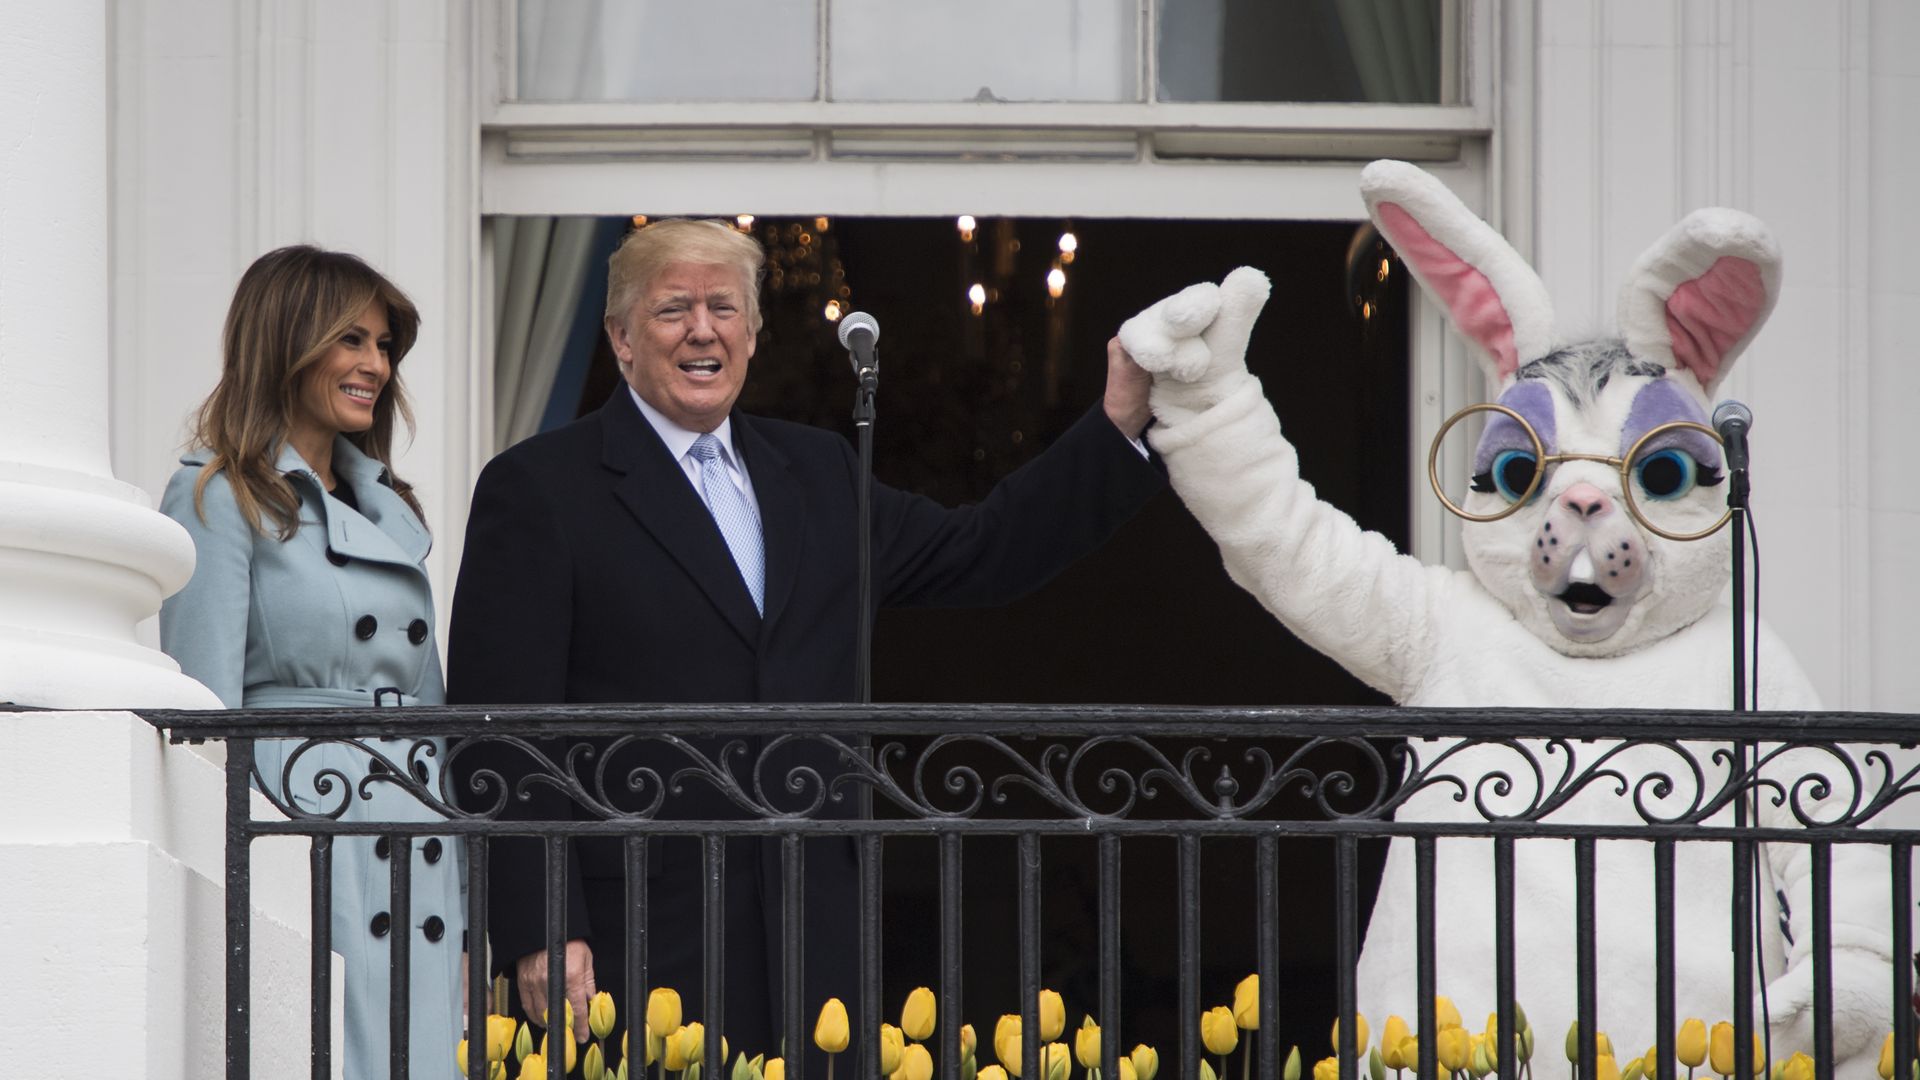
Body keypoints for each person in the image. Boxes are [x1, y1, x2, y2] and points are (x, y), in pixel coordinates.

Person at [446, 218, 1162, 1062]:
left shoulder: (819, 473)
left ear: (752, 332)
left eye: (724, 307)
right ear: (621, 337)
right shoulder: (539, 488)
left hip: (811, 927)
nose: (703, 330)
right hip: (636, 929)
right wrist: (541, 924)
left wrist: (1116, 423)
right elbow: (500, 731)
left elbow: (985, 550)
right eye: (674, 309)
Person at [159, 245, 465, 1079]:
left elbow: (431, 711)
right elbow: (205, 724)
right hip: (303, 829)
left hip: (414, 830)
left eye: (383, 345)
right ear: (288, 342)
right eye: (352, 340)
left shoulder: (392, 510)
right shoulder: (216, 495)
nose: (376, 364)